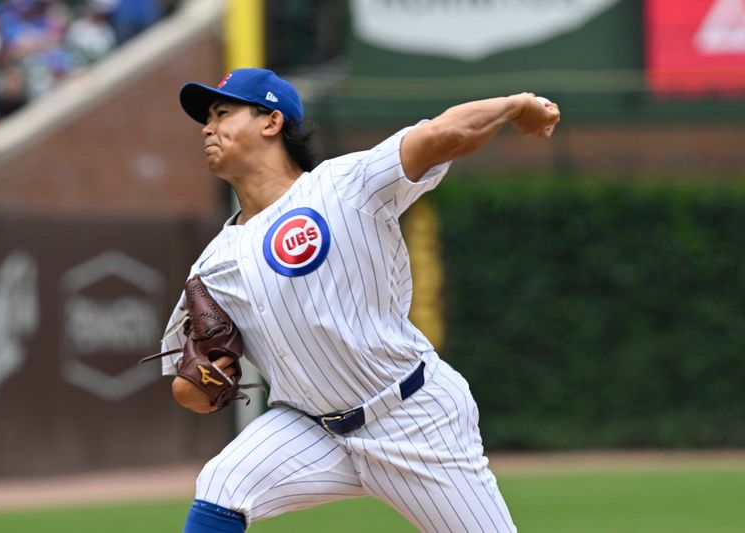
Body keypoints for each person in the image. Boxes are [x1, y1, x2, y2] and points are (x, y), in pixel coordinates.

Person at [160, 68, 560, 533]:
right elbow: (186, 386)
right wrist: (202, 385)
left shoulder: (344, 186)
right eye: (207, 118)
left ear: (271, 122)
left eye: (222, 113)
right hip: (310, 428)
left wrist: (516, 104)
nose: (208, 128)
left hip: (412, 417)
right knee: (222, 485)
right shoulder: (211, 264)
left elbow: (444, 132)